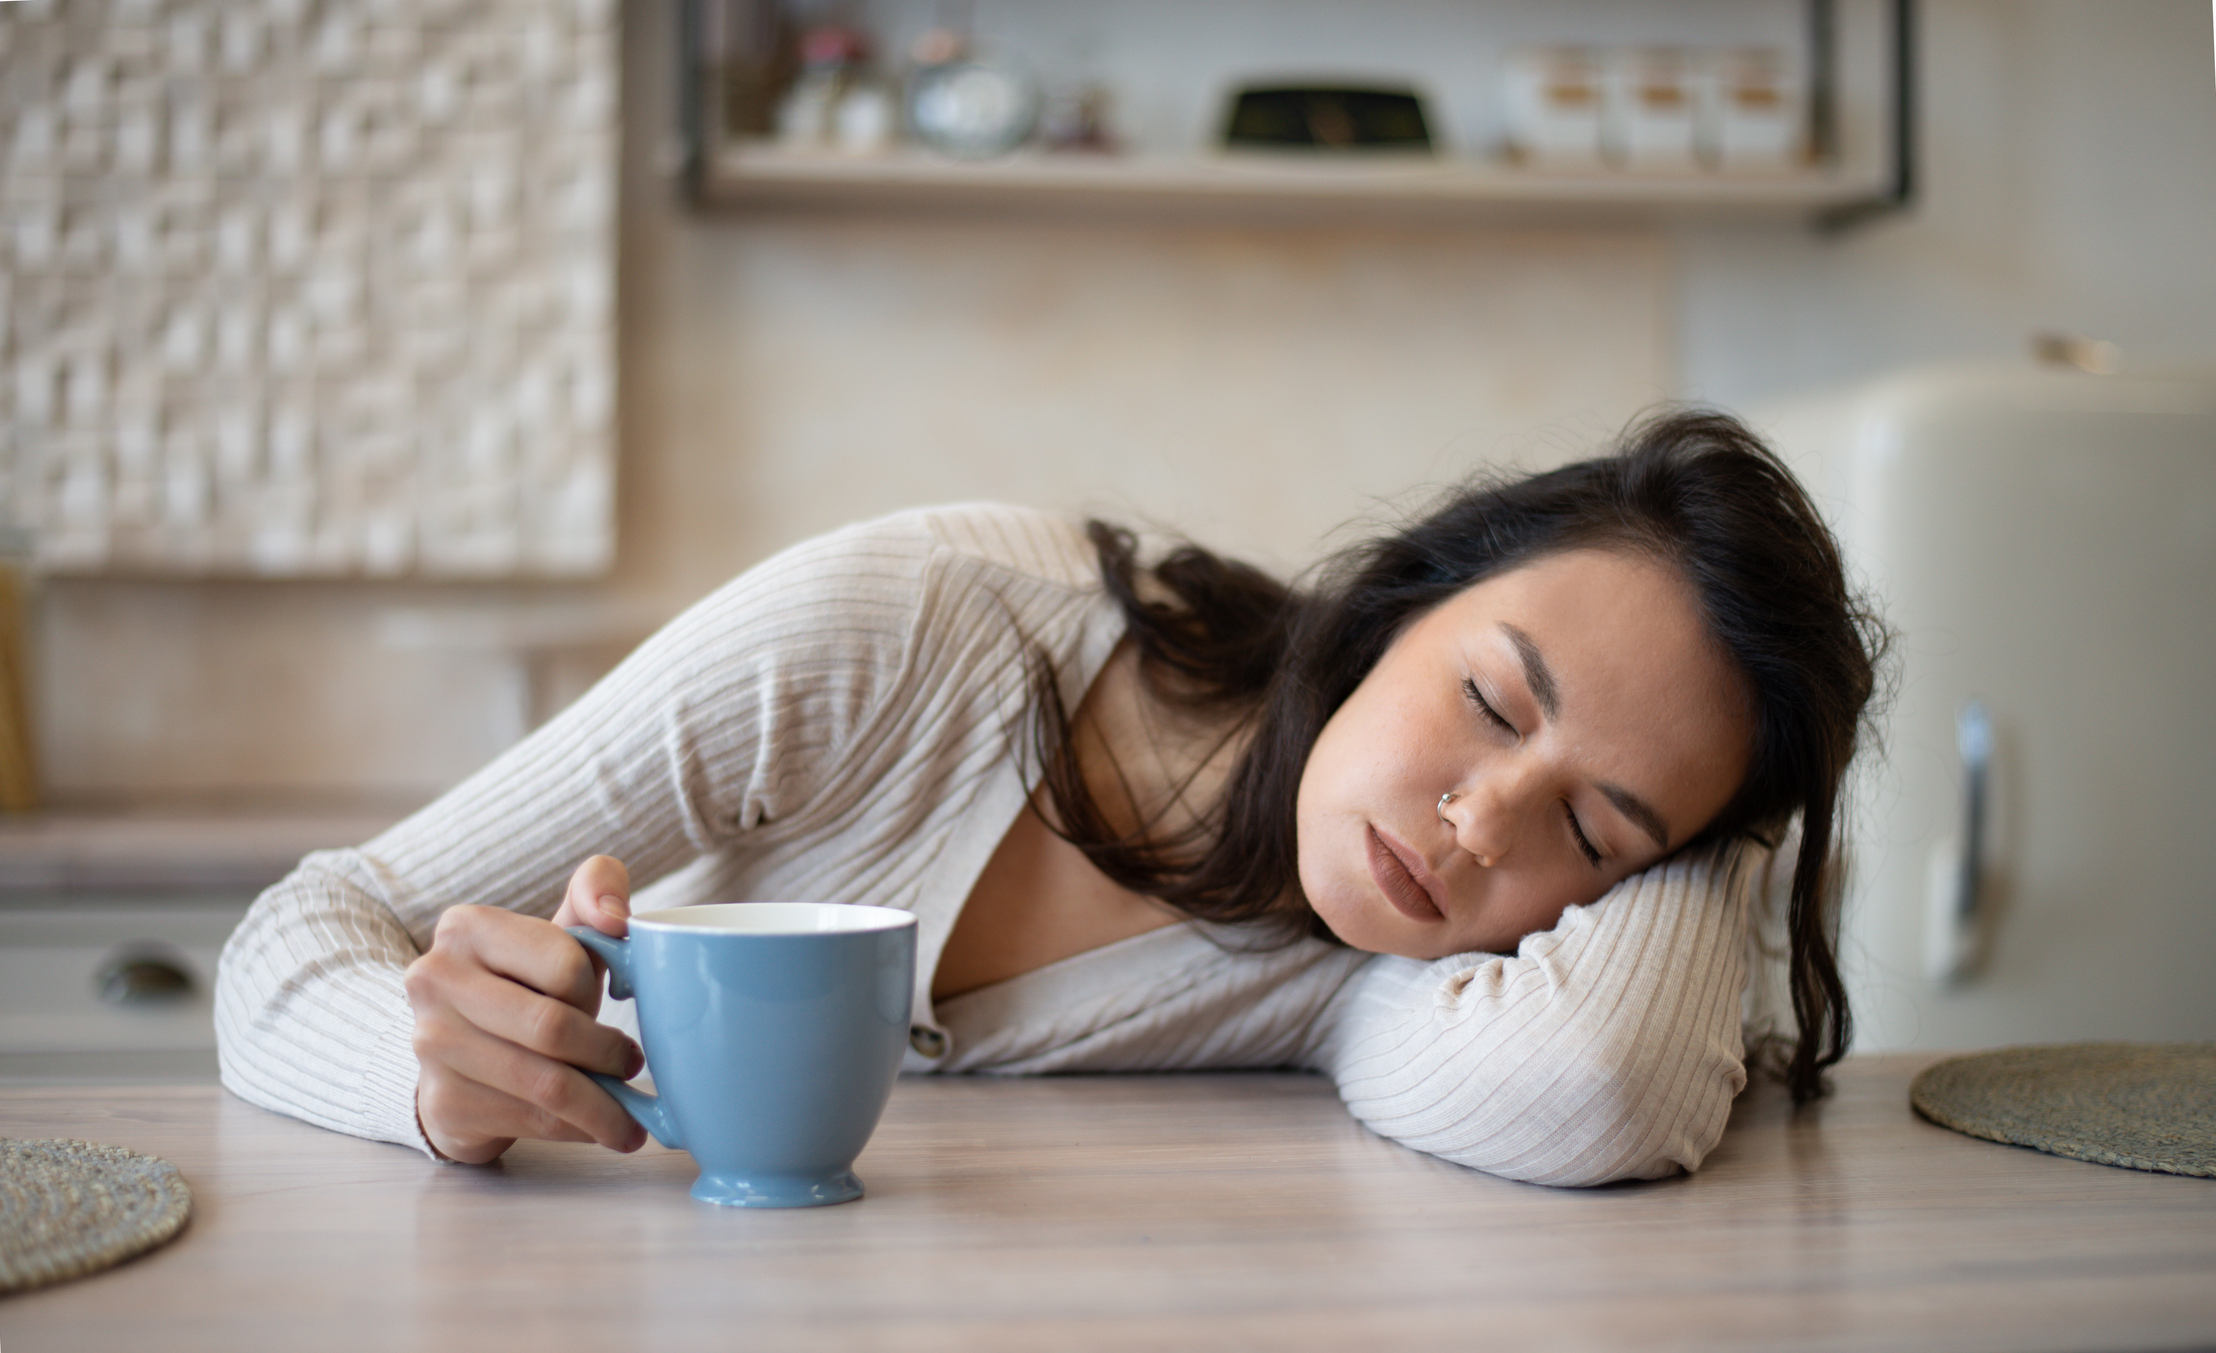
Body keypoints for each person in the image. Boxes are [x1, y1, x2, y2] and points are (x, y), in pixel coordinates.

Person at [215, 410, 1883, 1188]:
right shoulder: (906, 631)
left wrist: (1720, 836)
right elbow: (301, 933)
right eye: (1491, 699)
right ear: (1390, 605)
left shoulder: (1392, 968)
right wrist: (432, 1075)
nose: (1480, 828)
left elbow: (1587, 1083)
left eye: (1594, 833)